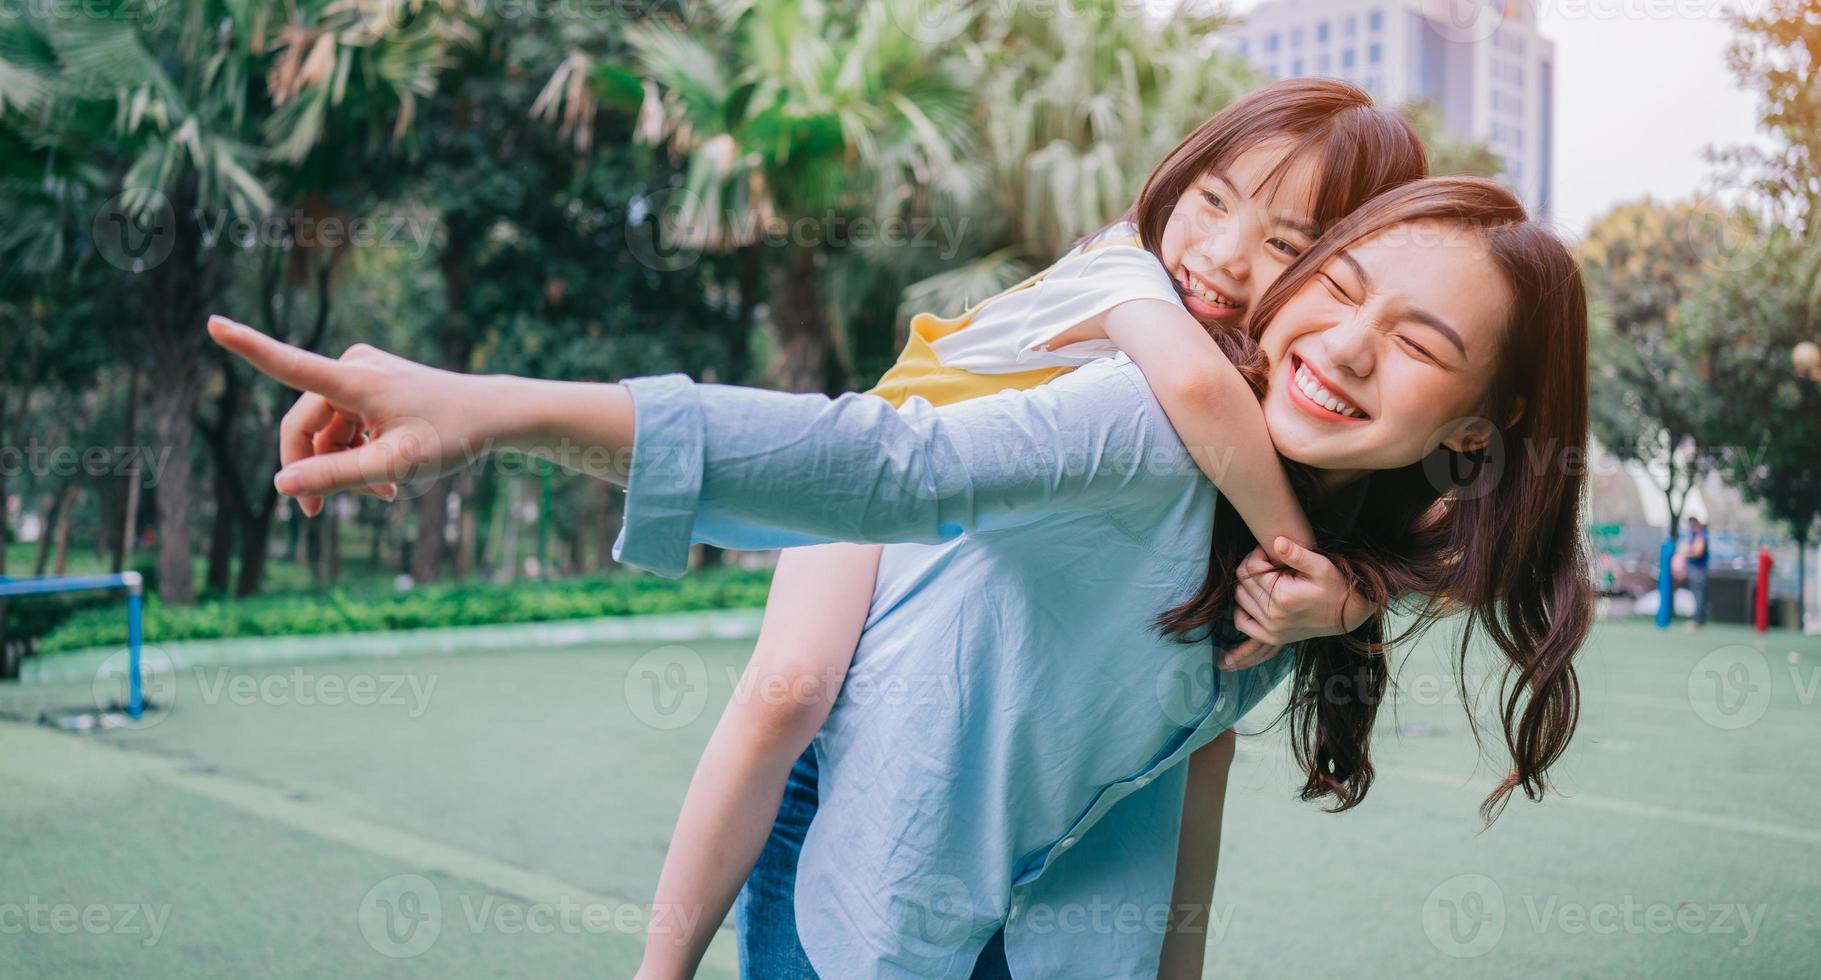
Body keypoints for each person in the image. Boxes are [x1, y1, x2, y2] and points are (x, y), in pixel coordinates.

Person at [206, 177, 1596, 979]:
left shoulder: (1339, 553)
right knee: (788, 681)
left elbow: (1199, 766)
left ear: (1475, 423)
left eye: (1415, 342)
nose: (1342, 344)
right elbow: (877, 466)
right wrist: (494, 408)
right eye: (1336, 285)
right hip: (860, 890)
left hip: (1024, 930)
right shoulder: (1146, 410)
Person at [1686, 515, 1710, 629]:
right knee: (1697, 595)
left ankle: (1698, 621)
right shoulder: (1696, 534)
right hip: (1696, 569)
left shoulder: (1701, 535)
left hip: (1698, 569)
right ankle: (1699, 620)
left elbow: (1698, 552)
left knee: (1699, 595)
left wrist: (1687, 554)